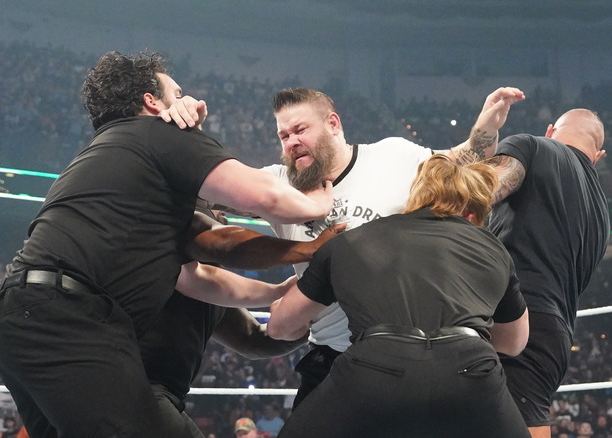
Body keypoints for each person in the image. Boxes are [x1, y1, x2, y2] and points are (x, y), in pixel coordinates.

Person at [0, 51, 333, 438]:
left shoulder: (116, 165)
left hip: (17, 318)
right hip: (69, 319)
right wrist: (316, 206)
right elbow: (261, 200)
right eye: (178, 92)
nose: (190, 104)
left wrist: (281, 293)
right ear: (152, 102)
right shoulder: (158, 133)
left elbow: (198, 280)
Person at [166, 85, 525, 408]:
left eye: (300, 130)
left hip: (405, 350)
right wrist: (183, 129)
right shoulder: (277, 185)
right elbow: (198, 185)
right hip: (332, 358)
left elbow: (467, 162)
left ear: (333, 124)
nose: (291, 142)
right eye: (284, 136)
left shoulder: (393, 157)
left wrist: (486, 127)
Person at [267, 154, 531, 438]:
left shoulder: (350, 240)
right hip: (471, 370)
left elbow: (279, 327)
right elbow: (514, 343)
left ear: (416, 197)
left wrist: (278, 303)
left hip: (375, 368)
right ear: (471, 215)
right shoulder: (491, 247)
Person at [143, 208, 344, 438]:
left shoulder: (210, 294)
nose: (223, 217)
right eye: (216, 215)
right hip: (131, 384)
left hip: (160, 393)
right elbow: (221, 247)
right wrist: (307, 249)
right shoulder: (163, 259)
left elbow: (254, 339)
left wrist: (308, 316)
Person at [485, 108, 610, 438]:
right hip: (556, 334)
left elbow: (478, 193)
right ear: (598, 156)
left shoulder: (533, 146)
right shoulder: (601, 212)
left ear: (551, 129)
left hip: (511, 316)